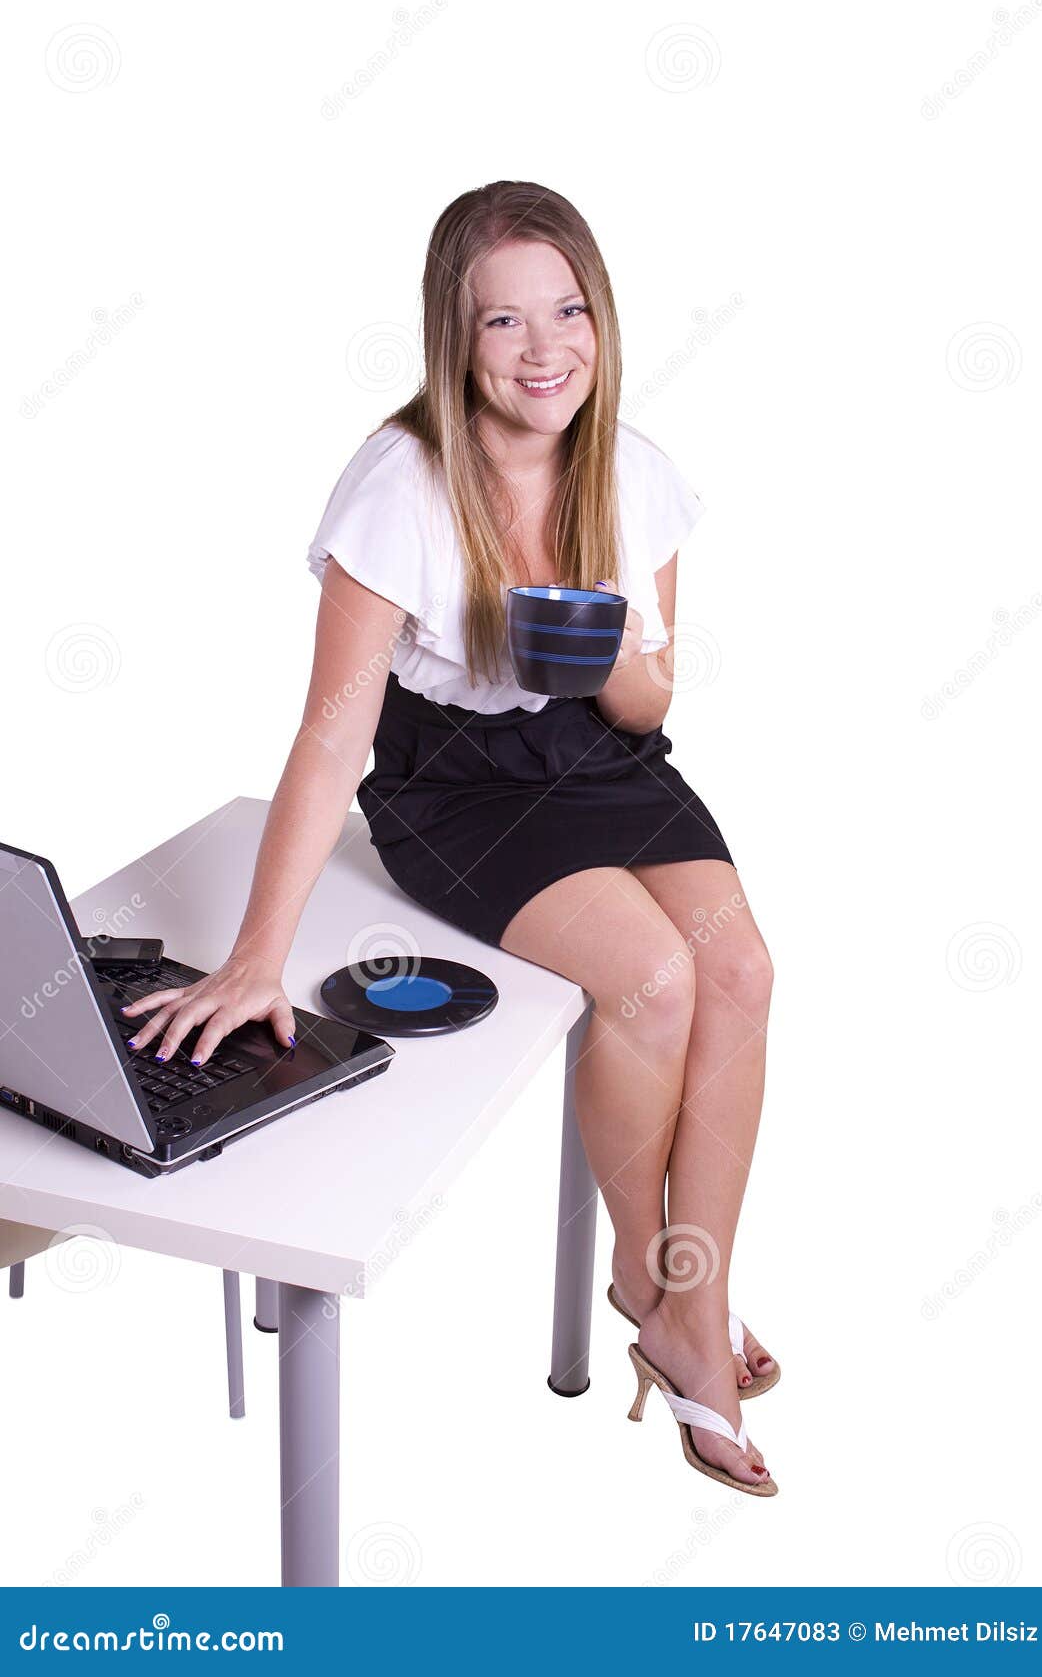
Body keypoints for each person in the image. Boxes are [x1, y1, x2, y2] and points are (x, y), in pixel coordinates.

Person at [120, 181, 779, 1495]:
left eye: (569, 311)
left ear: (602, 318)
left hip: (601, 756)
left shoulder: (632, 474)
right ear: (455, 338)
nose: (546, 351)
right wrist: (256, 953)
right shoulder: (401, 488)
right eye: (504, 323)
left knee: (742, 972)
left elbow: (649, 707)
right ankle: (670, 1304)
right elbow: (329, 736)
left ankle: (679, 1294)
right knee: (650, 980)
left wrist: (614, 637)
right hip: (457, 787)